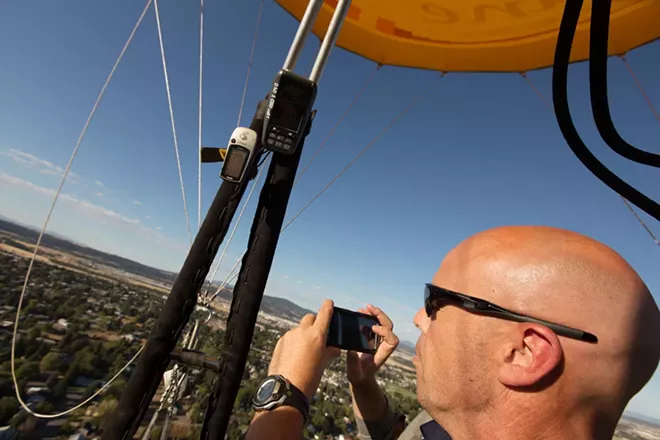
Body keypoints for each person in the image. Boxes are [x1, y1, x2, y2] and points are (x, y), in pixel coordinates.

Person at [245, 226, 660, 440]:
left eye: (438, 303)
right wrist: (363, 382)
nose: (419, 320)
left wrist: (283, 395)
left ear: (524, 352)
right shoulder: (454, 426)